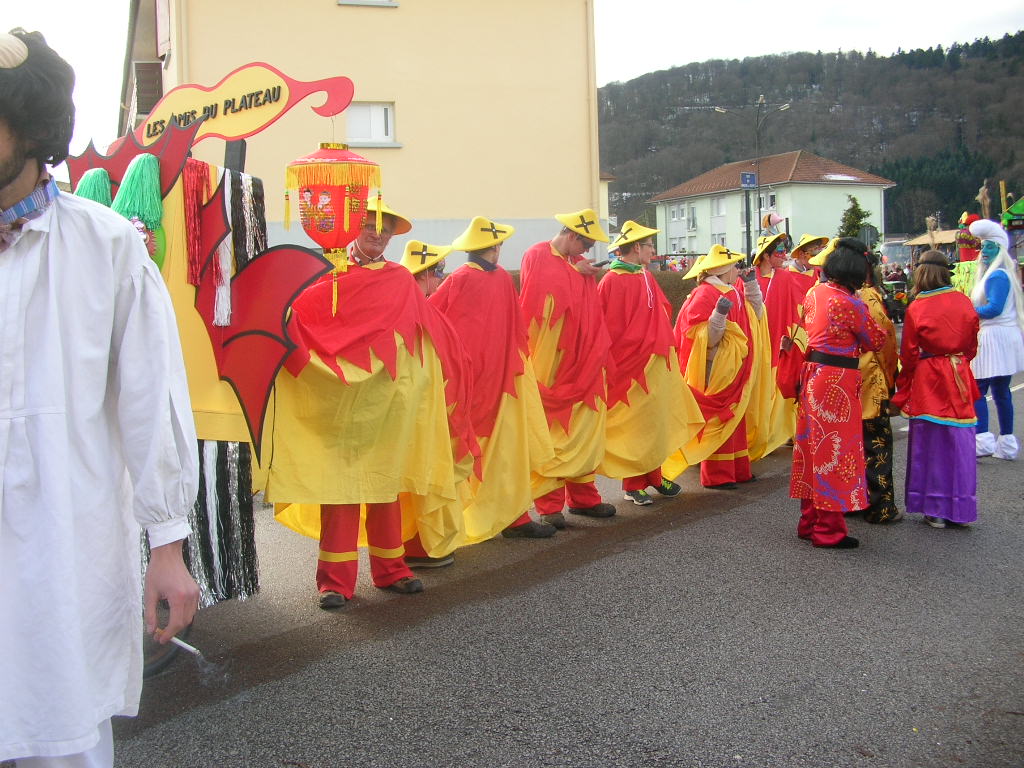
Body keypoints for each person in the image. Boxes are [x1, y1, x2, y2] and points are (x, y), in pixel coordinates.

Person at [0, 29, 200, 766]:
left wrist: (169, 547)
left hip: (66, 555)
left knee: (63, 731)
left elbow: (154, 404)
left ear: (32, 127)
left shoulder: (108, 246)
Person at [264, 201, 474, 608]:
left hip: (387, 401)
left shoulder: (399, 278)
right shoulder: (329, 273)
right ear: (353, 227)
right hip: (339, 403)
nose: (377, 233)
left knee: (384, 485)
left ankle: (392, 569)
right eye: (369, 224)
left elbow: (427, 336)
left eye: (385, 228)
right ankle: (334, 582)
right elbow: (299, 323)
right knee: (340, 489)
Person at [429, 217, 557, 539]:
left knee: (508, 452)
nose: (497, 250)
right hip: (472, 383)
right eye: (495, 245)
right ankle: (455, 525)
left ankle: (515, 517)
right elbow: (432, 319)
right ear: (491, 247)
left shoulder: (500, 278)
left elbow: (515, 325)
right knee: (469, 452)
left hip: (505, 379)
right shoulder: (459, 279)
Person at [519, 209, 616, 527]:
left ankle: (584, 497)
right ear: (573, 236)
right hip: (551, 361)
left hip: (581, 362)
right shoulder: (537, 254)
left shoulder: (573, 264)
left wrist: (582, 272)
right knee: (552, 431)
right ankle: (549, 505)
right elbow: (545, 297)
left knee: (583, 426)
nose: (587, 252)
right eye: (585, 245)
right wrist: (580, 273)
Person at [597, 221, 704, 505]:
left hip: (657, 362)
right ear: (635, 248)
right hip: (631, 367)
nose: (653, 251)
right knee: (637, 426)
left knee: (656, 422)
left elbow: (661, 310)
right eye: (648, 246)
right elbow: (608, 325)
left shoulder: (644, 274)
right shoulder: (612, 279)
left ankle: (654, 476)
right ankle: (633, 484)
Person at [790, 237, 887, 548]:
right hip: (838, 379)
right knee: (835, 453)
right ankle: (828, 530)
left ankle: (809, 522)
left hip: (813, 373)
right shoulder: (850, 303)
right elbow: (876, 340)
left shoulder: (814, 293)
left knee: (811, 449)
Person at [662, 245, 766, 490]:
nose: (738, 271)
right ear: (723, 270)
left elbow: (756, 316)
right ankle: (717, 475)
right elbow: (700, 337)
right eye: (735, 267)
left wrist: (751, 286)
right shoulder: (705, 294)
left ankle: (737, 469)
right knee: (720, 417)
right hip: (715, 366)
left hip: (734, 364)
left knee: (735, 415)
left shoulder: (731, 290)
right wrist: (718, 316)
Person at [891, 251, 980, 528]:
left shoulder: (917, 307)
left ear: (921, 273)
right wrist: (958, 361)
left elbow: (909, 354)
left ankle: (935, 508)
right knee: (960, 441)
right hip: (959, 375)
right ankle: (961, 508)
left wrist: (904, 386)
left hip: (929, 379)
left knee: (931, 443)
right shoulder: (964, 301)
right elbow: (971, 346)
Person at [968, 218, 1024, 460]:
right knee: (1001, 390)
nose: (983, 252)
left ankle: (983, 440)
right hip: (1001, 336)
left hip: (993, 337)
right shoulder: (1001, 275)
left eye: (988, 247)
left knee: (980, 389)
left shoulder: (997, 276)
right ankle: (1005, 442)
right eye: (982, 247)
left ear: (999, 249)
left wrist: (968, 311)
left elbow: (994, 308)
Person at [855, 254, 902, 524]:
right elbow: (884, 343)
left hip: (846, 378)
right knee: (877, 445)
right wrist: (891, 378)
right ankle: (880, 507)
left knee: (854, 445)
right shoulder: (868, 298)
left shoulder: (833, 294)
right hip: (870, 379)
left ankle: (851, 501)